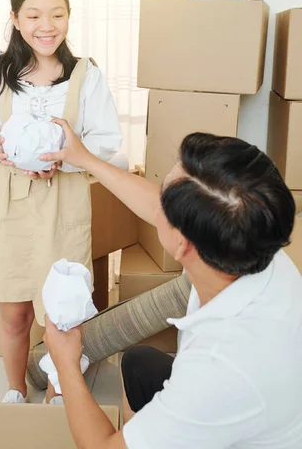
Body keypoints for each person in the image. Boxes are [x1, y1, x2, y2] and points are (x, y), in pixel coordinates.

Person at [41, 122, 302, 449]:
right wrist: (85, 159)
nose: (156, 200)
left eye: (165, 196)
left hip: (241, 411)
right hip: (259, 409)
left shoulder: (218, 369)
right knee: (138, 364)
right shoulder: (256, 238)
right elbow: (160, 207)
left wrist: (66, 363)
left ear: (182, 244)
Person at [0, 0, 122, 404]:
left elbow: (108, 142)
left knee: (61, 315)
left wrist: (67, 158)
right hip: (11, 200)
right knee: (13, 313)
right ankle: (14, 391)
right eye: (33, 15)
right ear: (15, 18)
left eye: (57, 14)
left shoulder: (86, 76)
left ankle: (55, 395)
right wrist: (2, 149)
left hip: (64, 204)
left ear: (69, 18)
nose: (45, 26)